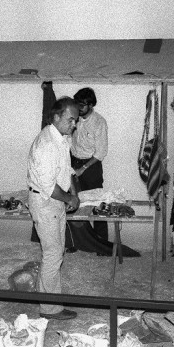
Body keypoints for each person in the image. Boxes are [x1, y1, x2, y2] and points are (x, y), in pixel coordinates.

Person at [26, 96, 80, 321]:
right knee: (52, 254)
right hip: (45, 202)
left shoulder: (61, 139)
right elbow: (49, 185)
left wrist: (74, 194)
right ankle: (49, 309)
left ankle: (49, 301)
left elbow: (67, 171)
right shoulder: (47, 143)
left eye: (75, 121)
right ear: (57, 117)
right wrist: (68, 198)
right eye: (70, 120)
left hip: (55, 201)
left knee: (55, 253)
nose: (74, 124)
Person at [68, 88, 111, 248]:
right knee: (73, 202)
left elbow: (101, 152)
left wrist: (83, 168)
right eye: (77, 104)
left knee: (97, 204)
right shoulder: (74, 118)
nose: (78, 108)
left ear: (91, 104)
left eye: (82, 105)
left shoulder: (99, 122)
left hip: (91, 166)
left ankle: (102, 244)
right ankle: (74, 242)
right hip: (74, 162)